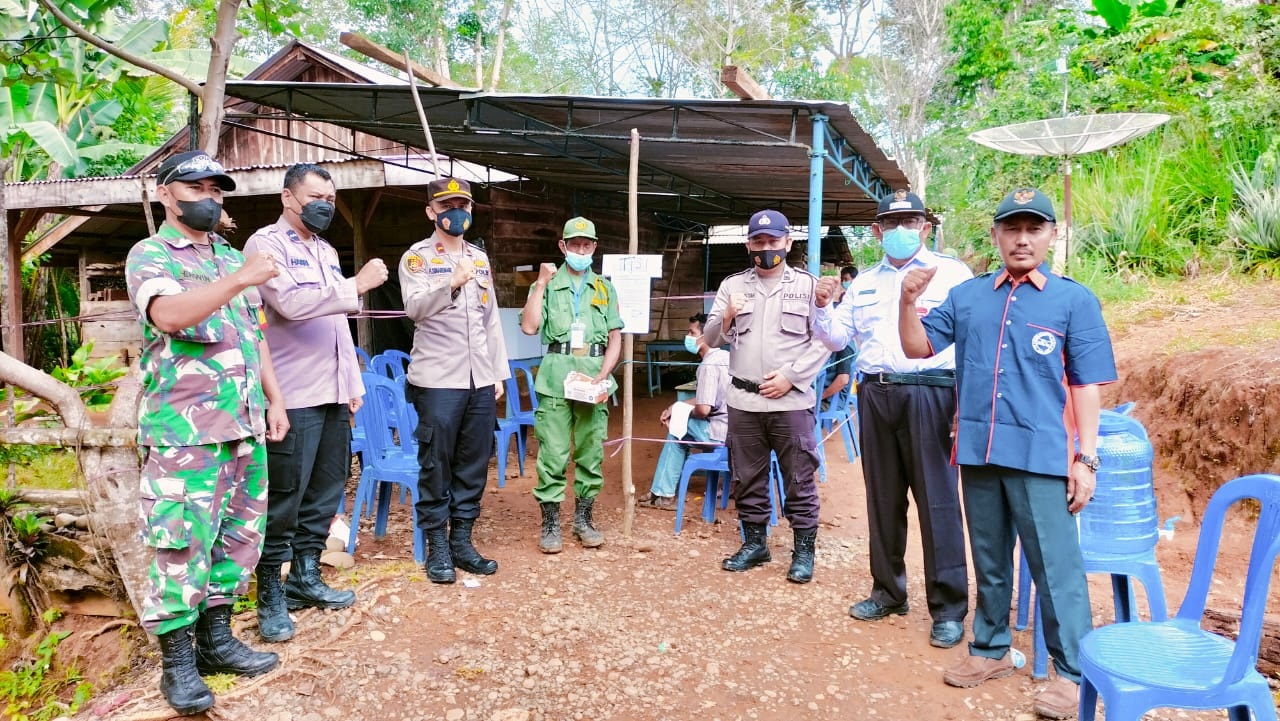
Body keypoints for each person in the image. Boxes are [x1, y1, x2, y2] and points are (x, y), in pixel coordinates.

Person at [898, 187, 1116, 719]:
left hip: (1042, 456)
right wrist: (905, 300)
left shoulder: (1073, 300)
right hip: (979, 449)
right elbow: (916, 348)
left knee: (1055, 568)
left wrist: (1086, 459)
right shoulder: (970, 297)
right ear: (995, 235)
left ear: (1050, 235)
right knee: (991, 561)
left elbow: (1087, 385)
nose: (1022, 239)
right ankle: (991, 648)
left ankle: (1070, 673)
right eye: (1011, 229)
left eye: (1033, 228)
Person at [126, 150, 288, 715]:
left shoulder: (226, 253)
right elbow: (168, 316)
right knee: (179, 542)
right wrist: (243, 275)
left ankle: (217, 642)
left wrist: (275, 397)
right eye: (196, 188)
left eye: (218, 189)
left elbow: (255, 334)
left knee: (239, 536)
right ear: (166, 194)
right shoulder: (151, 254)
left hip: (244, 423)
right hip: (184, 432)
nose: (211, 198)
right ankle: (178, 665)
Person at [812, 189, 974, 649]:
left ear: (925, 227)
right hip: (876, 393)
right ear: (876, 230)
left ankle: (948, 607)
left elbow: (972, 342)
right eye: (892, 221)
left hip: (932, 393)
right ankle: (888, 591)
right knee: (883, 498)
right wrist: (822, 305)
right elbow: (836, 338)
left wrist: (967, 403)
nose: (902, 229)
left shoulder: (952, 275)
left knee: (937, 501)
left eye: (911, 220)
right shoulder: (864, 282)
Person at [243, 163, 389, 643]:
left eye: (330, 195)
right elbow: (292, 305)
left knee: (326, 491)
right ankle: (270, 594)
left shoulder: (325, 250)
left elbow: (337, 324)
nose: (324, 203)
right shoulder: (266, 245)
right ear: (288, 197)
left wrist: (354, 383)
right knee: (284, 495)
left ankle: (305, 577)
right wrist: (357, 284)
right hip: (292, 394)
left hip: (332, 392)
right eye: (314, 195)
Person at [702, 209, 831, 583]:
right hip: (743, 401)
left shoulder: (808, 286)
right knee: (746, 477)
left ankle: (803, 552)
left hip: (790, 401)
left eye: (774, 241)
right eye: (758, 242)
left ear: (788, 243)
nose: (766, 248)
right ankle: (755, 544)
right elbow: (710, 340)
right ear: (748, 245)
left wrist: (791, 377)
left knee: (799, 478)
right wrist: (725, 317)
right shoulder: (732, 286)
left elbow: (825, 341)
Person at [400, 177, 510, 584]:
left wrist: (498, 373)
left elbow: (491, 321)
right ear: (431, 212)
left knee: (473, 462)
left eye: (462, 204)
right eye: (446, 206)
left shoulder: (479, 258)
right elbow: (413, 309)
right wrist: (451, 281)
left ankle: (462, 540)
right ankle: (437, 546)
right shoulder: (417, 258)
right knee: (436, 463)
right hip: (437, 379)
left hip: (478, 378)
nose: (455, 212)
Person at [520, 216, 624, 552]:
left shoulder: (605, 288)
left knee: (591, 450)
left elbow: (615, 338)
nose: (581, 249)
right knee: (553, 451)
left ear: (594, 247)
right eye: (574, 244)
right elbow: (530, 327)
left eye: (587, 244)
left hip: (593, 374)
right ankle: (550, 523)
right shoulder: (548, 284)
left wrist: (605, 373)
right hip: (556, 374)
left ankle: (583, 518)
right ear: (563, 247)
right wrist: (539, 283)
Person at [639, 312, 730, 510]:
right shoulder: (725, 357)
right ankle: (660, 493)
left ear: (706, 336)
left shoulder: (708, 365)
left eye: (692, 332)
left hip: (718, 433)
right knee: (678, 431)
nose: (688, 337)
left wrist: (681, 414)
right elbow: (708, 397)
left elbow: (704, 409)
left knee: (677, 429)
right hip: (731, 429)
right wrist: (675, 407)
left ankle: (663, 494)